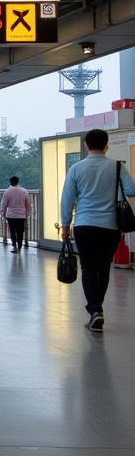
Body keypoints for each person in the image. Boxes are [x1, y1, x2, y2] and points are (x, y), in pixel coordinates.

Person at [60, 127, 135, 331]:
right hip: (111, 226)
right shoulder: (117, 167)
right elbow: (131, 189)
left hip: (85, 225)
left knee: (89, 268)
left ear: (86, 145)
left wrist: (65, 225)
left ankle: (95, 310)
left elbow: (67, 199)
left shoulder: (76, 169)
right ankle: (96, 309)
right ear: (106, 145)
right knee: (103, 268)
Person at [1, 175, 31, 253]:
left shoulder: (7, 191)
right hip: (21, 215)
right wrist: (27, 213)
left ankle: (14, 246)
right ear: (18, 182)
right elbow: (28, 204)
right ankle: (20, 246)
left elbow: (4, 204)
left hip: (10, 215)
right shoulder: (24, 191)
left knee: (12, 231)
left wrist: (3, 213)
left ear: (10, 182)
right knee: (20, 231)